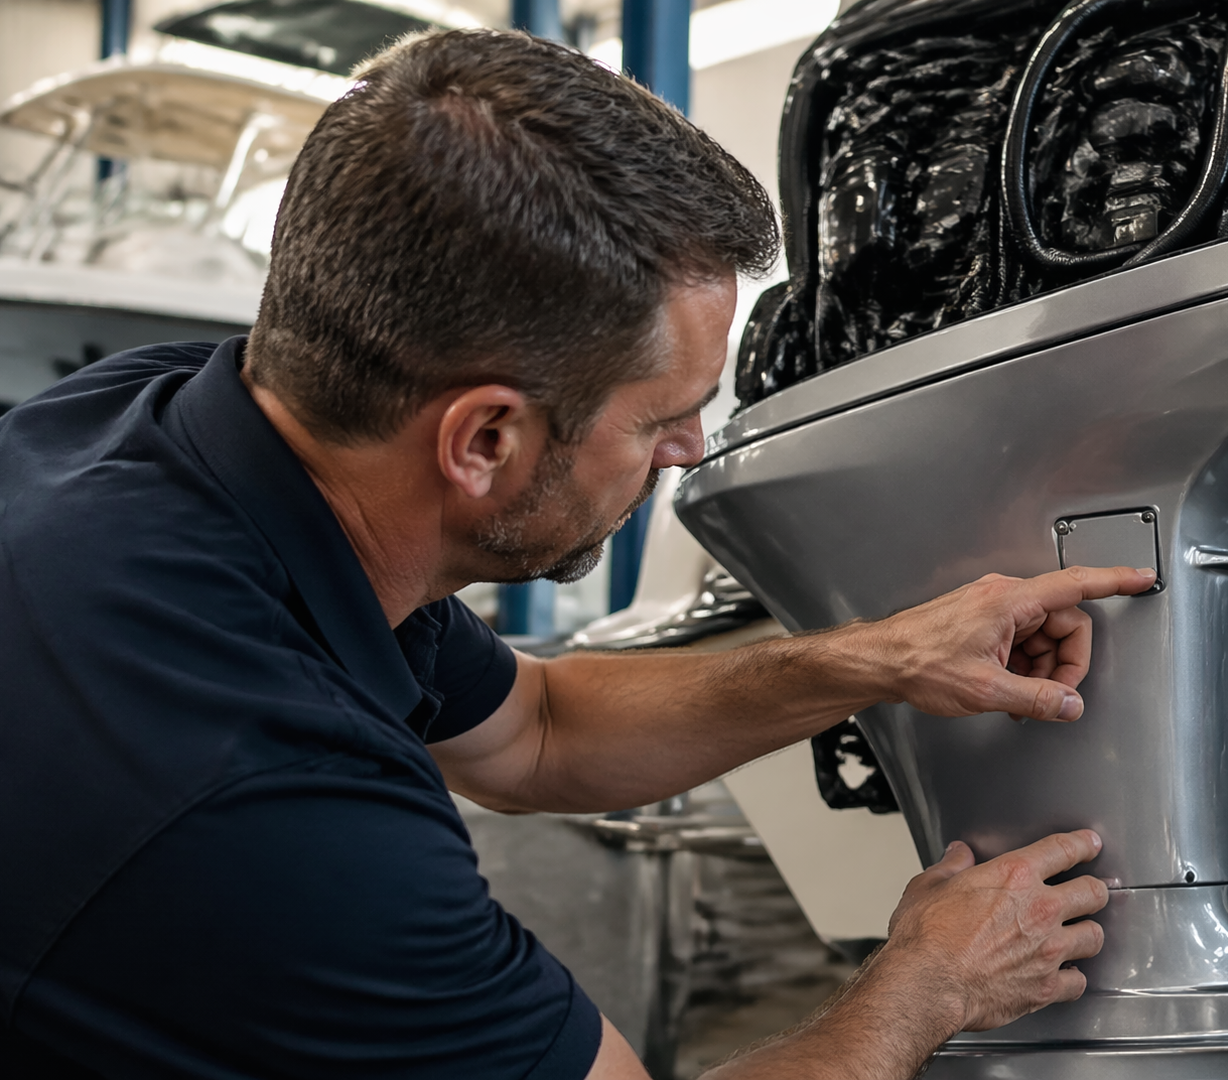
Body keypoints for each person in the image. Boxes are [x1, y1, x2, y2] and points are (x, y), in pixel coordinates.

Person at [0, 28, 1157, 1080]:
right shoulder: (269, 796)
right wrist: (924, 987)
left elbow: (536, 731)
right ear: (486, 440)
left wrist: (881, 659)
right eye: (661, 419)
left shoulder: (163, 433)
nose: (690, 451)